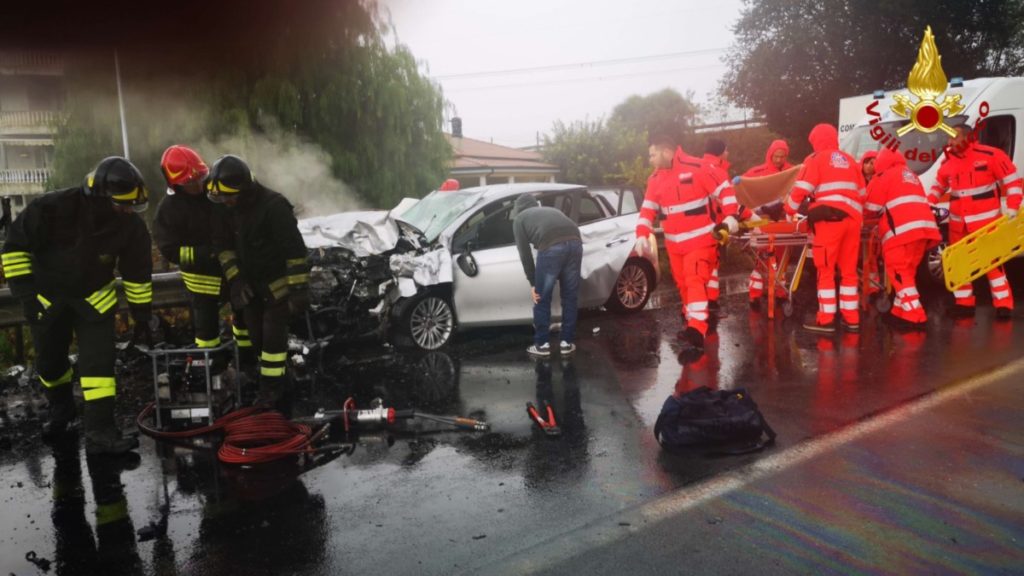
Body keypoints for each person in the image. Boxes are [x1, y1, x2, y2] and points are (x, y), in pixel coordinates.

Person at [1, 157, 152, 454]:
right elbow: (14, 247)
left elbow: (137, 273)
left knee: (99, 365)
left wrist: (142, 316)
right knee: (50, 363)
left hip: (96, 301)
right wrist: (27, 296)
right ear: (99, 197)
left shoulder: (130, 225)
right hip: (48, 300)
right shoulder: (51, 208)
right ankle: (62, 411)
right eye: (121, 203)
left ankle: (100, 432)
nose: (127, 210)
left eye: (131, 205)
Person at [207, 155, 310, 407]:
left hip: (277, 287)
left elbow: (295, 252)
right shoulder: (225, 208)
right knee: (256, 338)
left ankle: (273, 392)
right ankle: (278, 380)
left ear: (244, 190)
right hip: (250, 289)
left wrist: (298, 291)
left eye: (229, 197)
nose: (225, 202)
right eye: (221, 198)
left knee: (272, 340)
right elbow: (224, 249)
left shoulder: (274, 207)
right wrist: (237, 281)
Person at [636, 133, 737, 354]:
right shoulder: (655, 179)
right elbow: (647, 209)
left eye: (652, 154)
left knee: (694, 281)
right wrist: (642, 233)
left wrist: (730, 218)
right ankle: (692, 325)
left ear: (666, 151)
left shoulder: (698, 167)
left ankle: (697, 330)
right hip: (674, 245)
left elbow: (725, 189)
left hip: (700, 240)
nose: (650, 159)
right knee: (683, 285)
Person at [153, 145, 253, 366]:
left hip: (232, 270)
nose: (199, 185)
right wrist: (207, 254)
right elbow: (170, 251)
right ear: (175, 184)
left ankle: (247, 362)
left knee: (244, 317)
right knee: (206, 333)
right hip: (201, 281)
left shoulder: (214, 191)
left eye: (201, 177)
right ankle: (212, 370)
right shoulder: (169, 210)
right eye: (191, 182)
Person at [929, 124, 1022, 318]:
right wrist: (928, 203)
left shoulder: (991, 155)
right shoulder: (948, 162)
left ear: (967, 137)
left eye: (953, 138)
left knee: (993, 264)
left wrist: (1013, 207)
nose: (949, 143)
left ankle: (1003, 305)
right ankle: (964, 304)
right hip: (958, 225)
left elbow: (1012, 180)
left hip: (986, 224)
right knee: (959, 264)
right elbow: (938, 186)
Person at [785, 124, 866, 333]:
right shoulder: (850, 161)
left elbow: (801, 190)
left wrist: (788, 210)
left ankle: (826, 319)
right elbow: (863, 194)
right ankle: (851, 318)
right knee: (849, 271)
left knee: (826, 269)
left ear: (816, 141)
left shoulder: (815, 159)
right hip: (854, 220)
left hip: (829, 221)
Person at [864, 148, 941, 329]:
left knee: (899, 272)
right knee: (907, 272)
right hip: (922, 231)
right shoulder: (910, 175)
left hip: (901, 233)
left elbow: (870, 207)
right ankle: (900, 313)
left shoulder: (883, 177)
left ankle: (915, 314)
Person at [512, 193, 583, 358]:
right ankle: (566, 342)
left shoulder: (519, 220)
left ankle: (542, 345)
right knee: (570, 297)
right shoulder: (550, 210)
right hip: (575, 241)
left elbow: (525, 254)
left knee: (542, 298)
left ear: (518, 209)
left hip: (551, 246)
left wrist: (532, 283)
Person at [742, 139, 793, 308]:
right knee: (763, 259)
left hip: (783, 221)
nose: (779, 160)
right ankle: (755, 294)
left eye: (782, 156)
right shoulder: (757, 172)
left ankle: (779, 291)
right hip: (762, 221)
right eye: (776, 156)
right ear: (770, 154)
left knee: (781, 259)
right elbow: (744, 187)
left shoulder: (792, 172)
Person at [700, 138, 740, 316]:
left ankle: (705, 303)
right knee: (711, 264)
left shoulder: (697, 167)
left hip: (698, 226)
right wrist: (734, 218)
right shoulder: (718, 172)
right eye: (726, 150)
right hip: (714, 224)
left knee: (705, 265)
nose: (728, 153)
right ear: (720, 152)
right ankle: (710, 303)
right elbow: (728, 202)